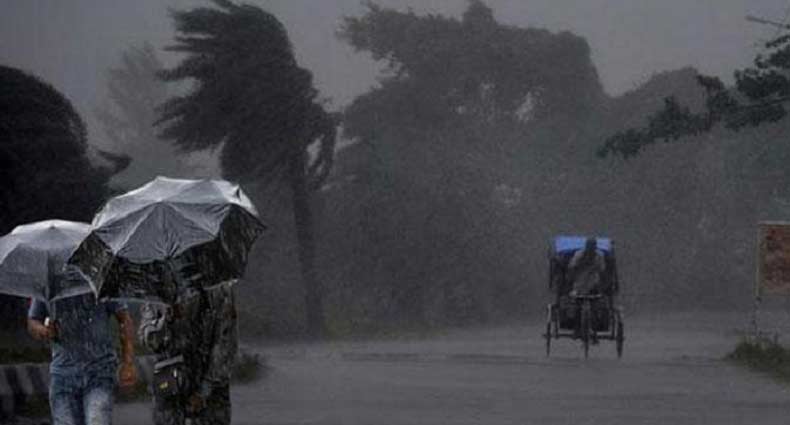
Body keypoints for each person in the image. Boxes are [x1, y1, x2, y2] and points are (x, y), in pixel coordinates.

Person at [27, 271, 137, 425]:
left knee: (96, 420)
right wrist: (43, 331)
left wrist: (128, 362)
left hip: (99, 372)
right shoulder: (48, 283)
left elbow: (124, 318)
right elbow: (33, 321)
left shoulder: (100, 280)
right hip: (63, 374)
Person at [139, 279, 238, 425]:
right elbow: (149, 341)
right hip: (170, 382)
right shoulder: (157, 289)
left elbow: (225, 343)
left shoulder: (217, 288)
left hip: (209, 384)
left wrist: (205, 389)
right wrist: (166, 319)